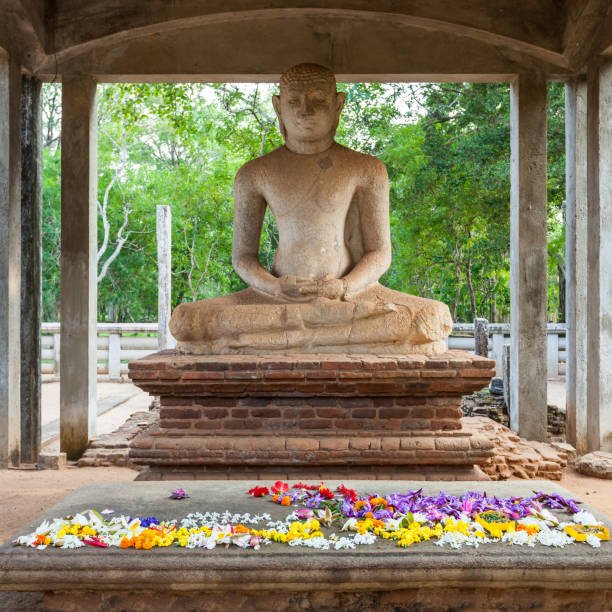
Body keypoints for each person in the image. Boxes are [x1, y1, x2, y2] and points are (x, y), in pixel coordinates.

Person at [170, 63, 452, 354]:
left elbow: (380, 253)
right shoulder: (255, 173)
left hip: (349, 299)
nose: (305, 111)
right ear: (278, 107)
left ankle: (273, 339)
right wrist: (275, 287)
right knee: (185, 320)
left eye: (318, 101)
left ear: (338, 104)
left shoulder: (366, 169)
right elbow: (243, 258)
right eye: (294, 101)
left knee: (431, 317)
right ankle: (320, 335)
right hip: (277, 300)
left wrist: (343, 287)